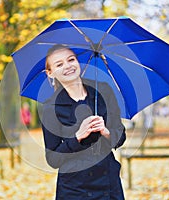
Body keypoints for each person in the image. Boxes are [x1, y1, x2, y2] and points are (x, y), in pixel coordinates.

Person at [41, 44, 126, 199]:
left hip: (109, 183)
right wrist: (78, 137)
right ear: (50, 72)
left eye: (71, 60)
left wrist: (105, 131)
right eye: (59, 64)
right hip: (74, 189)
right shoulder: (50, 108)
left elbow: (120, 137)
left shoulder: (103, 91)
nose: (68, 66)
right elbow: (52, 159)